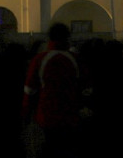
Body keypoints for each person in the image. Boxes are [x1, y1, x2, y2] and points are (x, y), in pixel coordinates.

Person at [22, 23, 87, 158]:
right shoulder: (75, 59)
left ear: (49, 38)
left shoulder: (40, 59)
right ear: (67, 37)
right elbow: (85, 88)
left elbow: (29, 90)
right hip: (71, 115)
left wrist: (26, 114)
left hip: (46, 115)